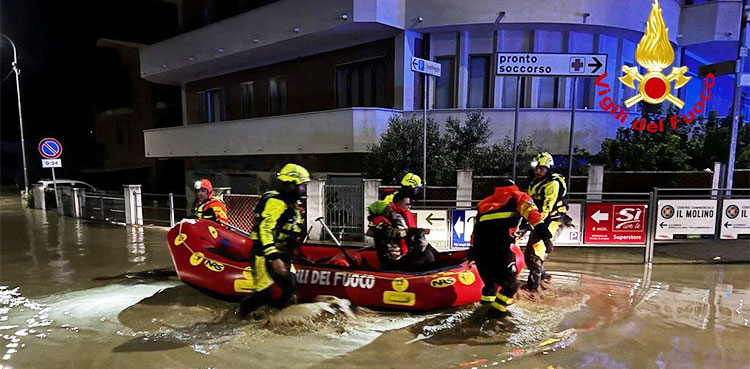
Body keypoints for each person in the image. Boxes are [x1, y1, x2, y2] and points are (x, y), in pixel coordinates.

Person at [470, 180, 553, 318]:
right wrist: (546, 238)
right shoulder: (518, 196)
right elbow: (534, 216)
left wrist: (471, 252)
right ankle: (495, 313)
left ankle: (482, 311)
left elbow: (475, 230)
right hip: (499, 245)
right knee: (512, 285)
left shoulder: (483, 203)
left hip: (479, 248)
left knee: (490, 285)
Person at [236, 163, 310, 317]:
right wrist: (274, 257)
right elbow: (265, 229)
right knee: (265, 292)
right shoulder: (276, 202)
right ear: (291, 185)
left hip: (282, 254)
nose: (303, 189)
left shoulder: (290, 203)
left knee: (291, 288)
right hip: (264, 254)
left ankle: (281, 320)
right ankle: (240, 315)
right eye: (302, 186)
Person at [523, 152, 570, 291]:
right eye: (536, 168)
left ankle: (533, 290)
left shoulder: (552, 184)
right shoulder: (534, 183)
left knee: (534, 255)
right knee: (529, 255)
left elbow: (546, 209)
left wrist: (530, 225)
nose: (537, 171)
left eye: (541, 168)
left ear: (548, 169)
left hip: (551, 222)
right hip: (540, 222)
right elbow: (528, 205)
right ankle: (544, 278)